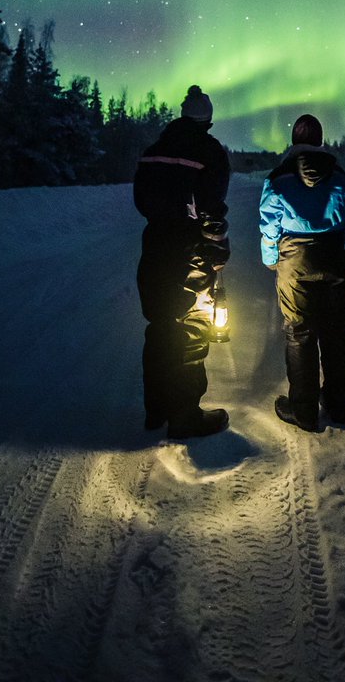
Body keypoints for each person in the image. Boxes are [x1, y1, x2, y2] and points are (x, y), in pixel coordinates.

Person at [133, 85, 231, 438]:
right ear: (207, 119)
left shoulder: (153, 152)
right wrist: (218, 247)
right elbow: (212, 209)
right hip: (190, 249)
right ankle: (186, 415)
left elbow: (142, 201)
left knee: (161, 324)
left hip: (155, 244)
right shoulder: (210, 151)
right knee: (192, 326)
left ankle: (156, 410)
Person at [259, 114, 345, 433]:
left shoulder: (279, 177)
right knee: (335, 332)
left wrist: (271, 259)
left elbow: (269, 226)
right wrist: (334, 244)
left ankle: (303, 411)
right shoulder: (339, 176)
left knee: (300, 332)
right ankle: (339, 406)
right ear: (320, 141)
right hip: (332, 255)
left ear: (294, 141)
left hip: (294, 260)